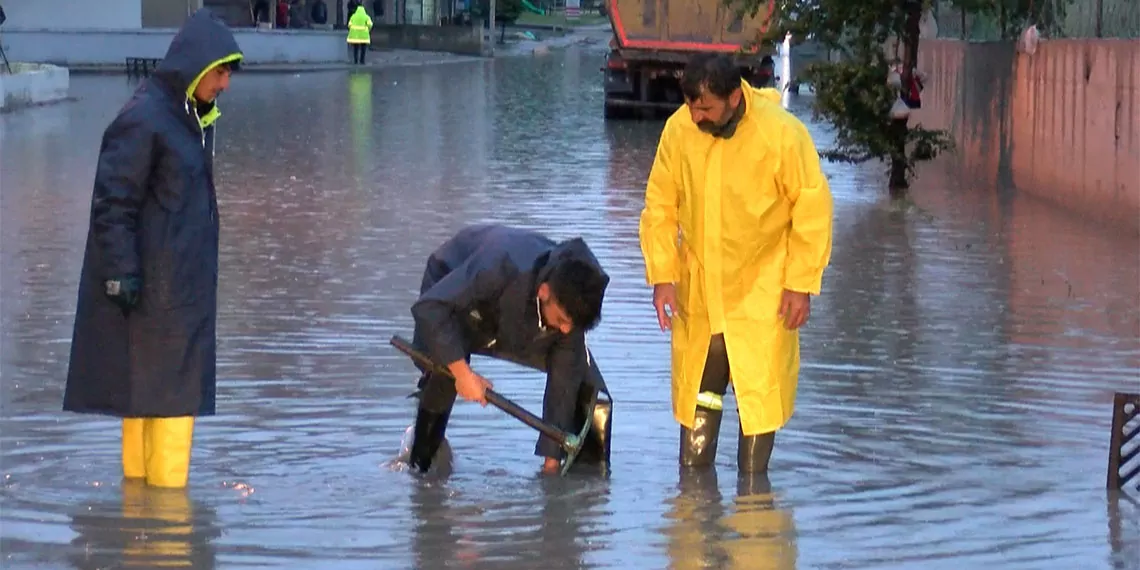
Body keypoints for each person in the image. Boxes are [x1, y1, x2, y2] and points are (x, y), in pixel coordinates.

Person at [62, 8, 243, 490]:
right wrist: (122, 274)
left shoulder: (184, 118)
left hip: (173, 290)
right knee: (169, 400)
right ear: (198, 66)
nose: (225, 84)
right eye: (220, 72)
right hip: (160, 299)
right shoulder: (148, 118)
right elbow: (112, 202)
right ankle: (167, 533)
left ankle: (140, 521)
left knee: (149, 398)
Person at [638, 53, 834, 474]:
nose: (696, 116)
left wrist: (801, 284)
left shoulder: (781, 134)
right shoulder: (678, 130)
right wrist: (663, 277)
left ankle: (754, 504)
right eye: (691, 106)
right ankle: (692, 507)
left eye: (705, 108)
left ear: (733, 98)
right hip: (701, 288)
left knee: (759, 396)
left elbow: (812, 210)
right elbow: (659, 207)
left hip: (764, 291)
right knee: (699, 395)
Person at [405, 224, 613, 475]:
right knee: (445, 369)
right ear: (544, 291)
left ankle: (582, 482)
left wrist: (551, 467)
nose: (566, 331)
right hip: (454, 288)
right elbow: (429, 309)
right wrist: (462, 374)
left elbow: (563, 387)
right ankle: (420, 464)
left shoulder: (572, 309)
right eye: (561, 321)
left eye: (573, 325)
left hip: (520, 317)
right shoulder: (497, 269)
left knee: (582, 379)